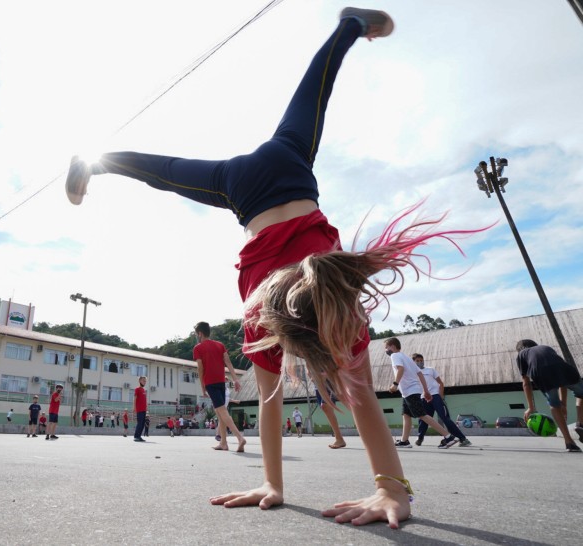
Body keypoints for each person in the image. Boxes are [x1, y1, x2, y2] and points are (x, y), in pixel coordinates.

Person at [65, 7, 482, 526]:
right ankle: (95, 162)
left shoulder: (329, 291)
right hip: (251, 194)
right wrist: (392, 493)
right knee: (174, 169)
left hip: (274, 176)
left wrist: (284, 485)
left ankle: (349, 26)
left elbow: (282, 400)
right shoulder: (286, 303)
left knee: (302, 98)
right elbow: (346, 400)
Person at [384, 338, 458, 449]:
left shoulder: (395, 356)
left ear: (392, 346)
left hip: (410, 391)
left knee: (422, 415)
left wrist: (395, 384)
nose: (386, 350)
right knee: (406, 415)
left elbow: (400, 369)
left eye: (386, 347)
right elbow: (420, 374)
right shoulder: (407, 358)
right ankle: (404, 441)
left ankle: (448, 437)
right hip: (410, 392)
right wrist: (426, 391)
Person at [515, 339, 583, 452]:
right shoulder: (546, 348)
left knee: (554, 405)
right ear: (535, 345)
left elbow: (526, 383)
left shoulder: (521, 355)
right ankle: (580, 423)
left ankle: (569, 442)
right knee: (581, 394)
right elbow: (561, 382)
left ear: (519, 350)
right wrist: (564, 404)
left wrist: (531, 407)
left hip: (542, 373)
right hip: (565, 369)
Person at [193, 322, 246, 452]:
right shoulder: (220, 345)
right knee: (220, 412)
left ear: (200, 333)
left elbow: (200, 369)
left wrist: (202, 386)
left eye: (197, 334)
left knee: (222, 411)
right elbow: (228, 362)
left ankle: (240, 438)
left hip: (210, 383)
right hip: (221, 382)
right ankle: (223, 443)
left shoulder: (198, 348)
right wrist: (235, 379)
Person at [412, 353, 471, 447]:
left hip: (435, 397)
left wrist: (440, 396)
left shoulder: (430, 370)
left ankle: (462, 439)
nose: (420, 362)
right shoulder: (413, 373)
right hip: (423, 398)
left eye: (421, 360)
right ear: (413, 362)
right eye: (417, 361)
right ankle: (420, 438)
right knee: (423, 419)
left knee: (445, 418)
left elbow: (440, 383)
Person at [314, 383, 346, 449]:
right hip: (318, 385)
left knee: (325, 406)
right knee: (326, 408)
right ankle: (339, 439)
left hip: (327, 380)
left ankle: (339, 439)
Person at [133, 376, 148, 442]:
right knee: (139, 423)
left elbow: (144, 400)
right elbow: (135, 398)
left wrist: (146, 406)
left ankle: (139, 436)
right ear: (139, 381)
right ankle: (136, 436)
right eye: (143, 380)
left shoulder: (144, 390)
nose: (145, 382)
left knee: (142, 423)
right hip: (139, 409)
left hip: (144, 409)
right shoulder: (137, 389)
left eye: (145, 381)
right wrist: (134, 407)